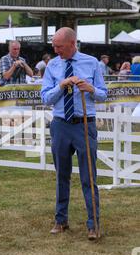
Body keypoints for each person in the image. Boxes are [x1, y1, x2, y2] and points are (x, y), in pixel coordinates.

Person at [41, 27, 107, 240]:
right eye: (54, 45)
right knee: (62, 175)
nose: (55, 49)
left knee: (89, 176)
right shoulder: (52, 65)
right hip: (60, 124)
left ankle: (93, 224)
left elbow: (103, 95)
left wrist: (91, 89)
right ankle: (61, 221)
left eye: (59, 46)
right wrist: (61, 85)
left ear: (72, 43)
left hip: (84, 125)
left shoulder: (92, 62)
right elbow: (45, 98)